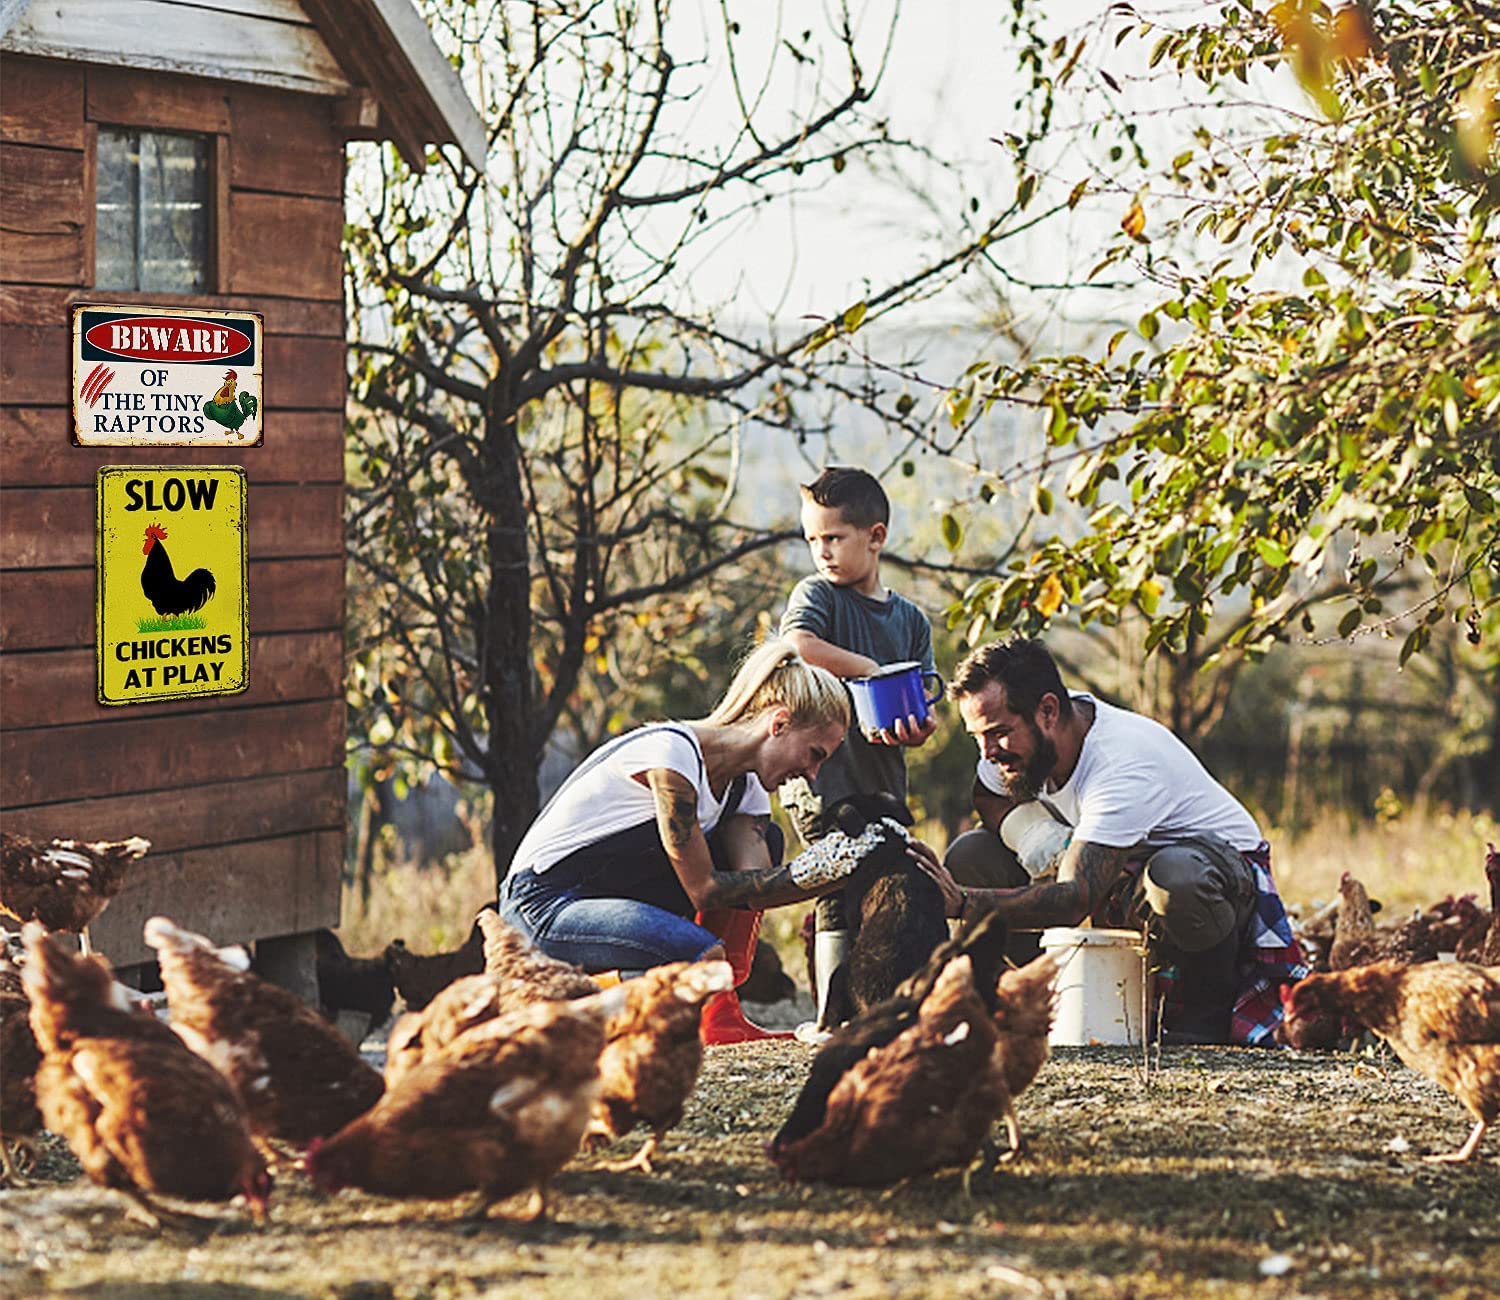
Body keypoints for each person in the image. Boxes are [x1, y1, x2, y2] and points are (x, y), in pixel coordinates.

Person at [923, 638, 1308, 1046]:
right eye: (977, 736)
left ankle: (1203, 1016)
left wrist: (964, 903)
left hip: (1215, 881)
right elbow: (987, 795)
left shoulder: (1120, 761)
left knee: (1176, 878)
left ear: (1048, 711)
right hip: (1115, 871)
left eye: (999, 733)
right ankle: (1050, 998)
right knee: (972, 854)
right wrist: (1034, 833)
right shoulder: (1016, 740)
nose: (987, 752)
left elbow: (1074, 898)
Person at [499, 639, 857, 1045]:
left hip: (608, 901)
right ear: (779, 724)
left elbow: (756, 889)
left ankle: (719, 1013)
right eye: (814, 753)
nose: (812, 774)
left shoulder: (747, 788)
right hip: (543, 905)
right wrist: (827, 869)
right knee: (699, 960)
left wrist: (848, 865)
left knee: (768, 843)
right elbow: (705, 890)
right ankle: (552, 999)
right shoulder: (672, 754)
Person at [778, 466, 938, 1028]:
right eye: (812, 539)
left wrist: (918, 728)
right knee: (834, 885)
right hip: (821, 781)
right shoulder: (817, 596)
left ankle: (876, 1006)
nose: (821, 551)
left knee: (881, 889)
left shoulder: (910, 621)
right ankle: (831, 1020)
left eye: (833, 537)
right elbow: (797, 644)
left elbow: (925, 699)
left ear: (875, 537)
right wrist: (869, 670)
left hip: (883, 784)